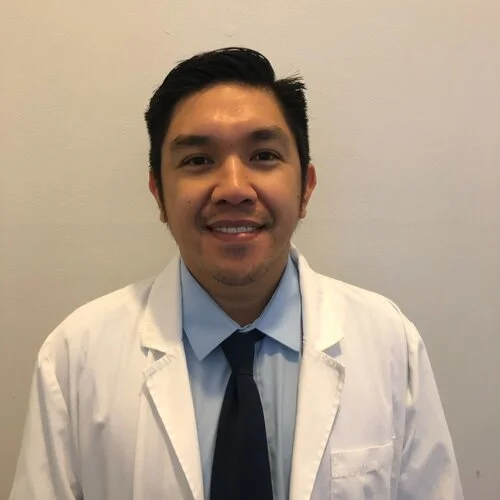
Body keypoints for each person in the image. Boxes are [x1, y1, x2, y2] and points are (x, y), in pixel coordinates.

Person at [10, 47, 463, 500]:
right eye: (198, 160)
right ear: (158, 193)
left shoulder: (389, 342)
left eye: (263, 155)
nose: (233, 189)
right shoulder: (76, 357)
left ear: (305, 188)